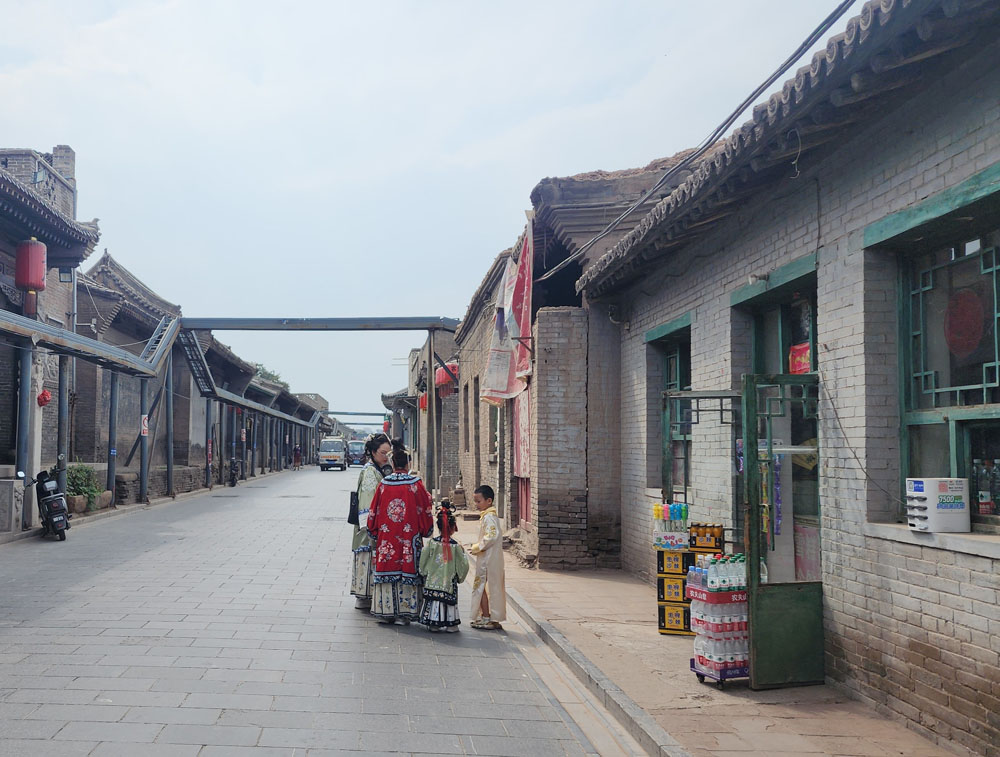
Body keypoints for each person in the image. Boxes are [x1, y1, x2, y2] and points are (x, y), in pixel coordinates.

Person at [367, 439, 433, 624]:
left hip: (387, 538)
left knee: (388, 568)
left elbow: (374, 511)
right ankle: (405, 614)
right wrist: (426, 530)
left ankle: (386, 609)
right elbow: (426, 509)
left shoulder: (384, 484)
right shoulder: (416, 484)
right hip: (408, 539)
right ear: (408, 463)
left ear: (392, 463)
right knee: (408, 570)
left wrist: (374, 532)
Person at [350, 433, 391, 610]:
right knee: (367, 557)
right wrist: (372, 528)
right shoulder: (369, 473)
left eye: (389, 454)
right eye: (383, 453)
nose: (386, 457)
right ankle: (364, 596)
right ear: (373, 452)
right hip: (370, 529)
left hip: (378, 526)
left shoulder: (379, 471)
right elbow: (367, 505)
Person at [418, 503, 469, 633]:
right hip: (448, 583)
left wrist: (423, 572)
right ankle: (451, 624)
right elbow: (463, 565)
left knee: (434, 600)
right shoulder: (456, 547)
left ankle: (434, 623)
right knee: (449, 602)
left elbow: (423, 558)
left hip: (432, 582)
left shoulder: (432, 543)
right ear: (452, 528)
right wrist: (459, 577)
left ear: (438, 526)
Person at [467, 485, 506, 630]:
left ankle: (486, 617)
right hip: (490, 557)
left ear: (489, 501)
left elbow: (491, 536)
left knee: (481, 586)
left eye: (478, 501)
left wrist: (477, 547)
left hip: (487, 558)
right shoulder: (489, 516)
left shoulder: (489, 517)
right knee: (491, 586)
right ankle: (491, 616)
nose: (476, 505)